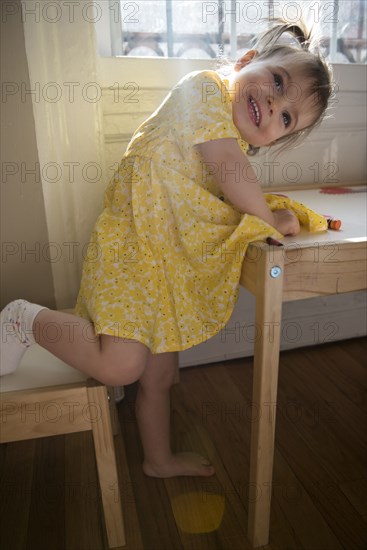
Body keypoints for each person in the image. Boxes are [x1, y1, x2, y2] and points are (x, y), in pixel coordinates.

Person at [1, 21, 332, 478]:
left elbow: (217, 192)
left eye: (288, 118)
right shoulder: (204, 92)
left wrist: (267, 214)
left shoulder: (229, 138)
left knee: (160, 376)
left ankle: (157, 459)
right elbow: (231, 169)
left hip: (164, 262)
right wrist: (266, 219)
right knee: (122, 365)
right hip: (131, 249)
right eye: (277, 82)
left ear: (274, 139)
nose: (276, 104)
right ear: (246, 62)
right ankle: (22, 317)